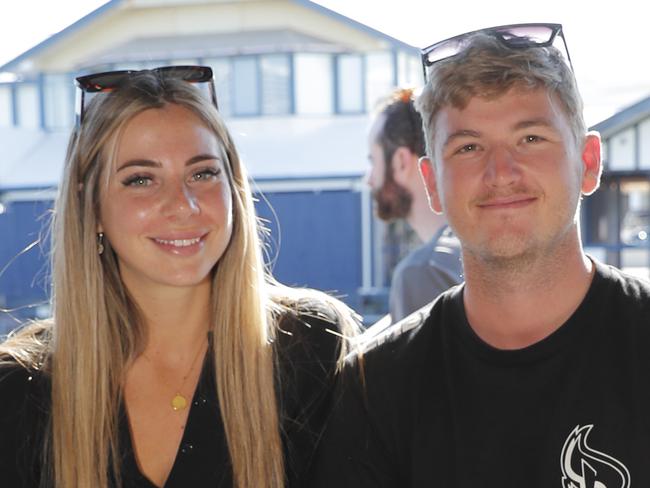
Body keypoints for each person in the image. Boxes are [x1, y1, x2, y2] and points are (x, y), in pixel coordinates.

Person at [308, 24, 650, 487]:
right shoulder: (375, 387)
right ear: (432, 183)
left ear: (588, 163)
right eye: (469, 147)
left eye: (531, 138)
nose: (501, 172)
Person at [0, 66, 359, 488]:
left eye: (202, 173)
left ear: (234, 188)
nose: (183, 205)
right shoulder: (19, 388)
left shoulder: (311, 344)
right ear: (91, 205)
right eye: (141, 179)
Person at [367, 88, 462, 323]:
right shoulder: (476, 250)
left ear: (400, 162)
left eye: (372, 160)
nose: (368, 179)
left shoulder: (423, 272)